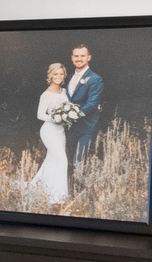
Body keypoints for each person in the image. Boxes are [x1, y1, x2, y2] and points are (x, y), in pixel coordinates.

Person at [64, 43, 103, 185]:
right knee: (67, 161)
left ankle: (80, 195)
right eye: (76, 56)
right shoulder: (68, 77)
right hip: (69, 128)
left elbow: (92, 105)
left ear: (89, 57)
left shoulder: (95, 79)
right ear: (72, 58)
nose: (79, 59)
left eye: (82, 56)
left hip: (86, 128)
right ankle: (68, 192)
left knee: (79, 162)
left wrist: (74, 114)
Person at [36, 62, 73, 203]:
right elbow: (40, 115)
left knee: (51, 160)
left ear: (64, 76)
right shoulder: (46, 94)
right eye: (55, 74)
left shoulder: (64, 91)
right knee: (62, 160)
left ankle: (42, 189)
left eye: (61, 74)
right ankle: (60, 197)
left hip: (60, 133)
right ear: (50, 75)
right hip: (49, 132)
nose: (58, 76)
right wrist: (55, 118)